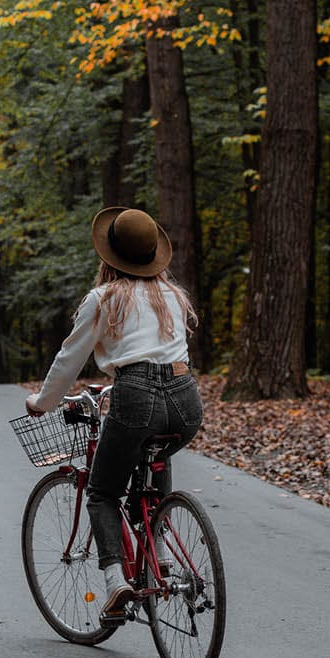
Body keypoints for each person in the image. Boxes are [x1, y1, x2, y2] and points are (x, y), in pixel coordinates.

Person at [25, 206, 203, 616]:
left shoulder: (103, 298)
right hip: (186, 398)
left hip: (136, 395)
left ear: (109, 255)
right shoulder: (173, 297)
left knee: (103, 490)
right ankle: (160, 553)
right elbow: (166, 354)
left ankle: (115, 583)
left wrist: (42, 403)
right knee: (156, 456)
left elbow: (70, 358)